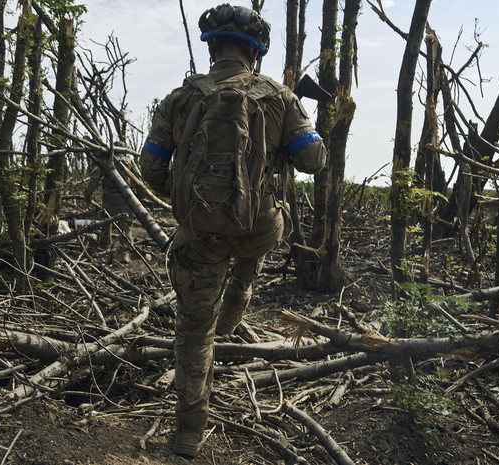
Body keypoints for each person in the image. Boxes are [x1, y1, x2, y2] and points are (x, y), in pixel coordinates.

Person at [139, 3, 327, 458]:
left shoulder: (180, 99)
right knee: (255, 239)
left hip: (200, 234)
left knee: (192, 330)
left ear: (212, 49)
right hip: (259, 227)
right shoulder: (280, 97)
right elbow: (313, 161)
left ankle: (188, 433)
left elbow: (150, 167)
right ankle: (237, 303)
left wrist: (189, 203)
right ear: (255, 53)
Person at [84, 141, 140, 263]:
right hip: (126, 197)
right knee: (125, 225)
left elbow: (94, 179)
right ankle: (125, 253)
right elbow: (138, 180)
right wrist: (140, 199)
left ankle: (104, 245)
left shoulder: (106, 160)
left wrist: (87, 195)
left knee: (106, 221)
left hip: (109, 198)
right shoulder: (130, 162)